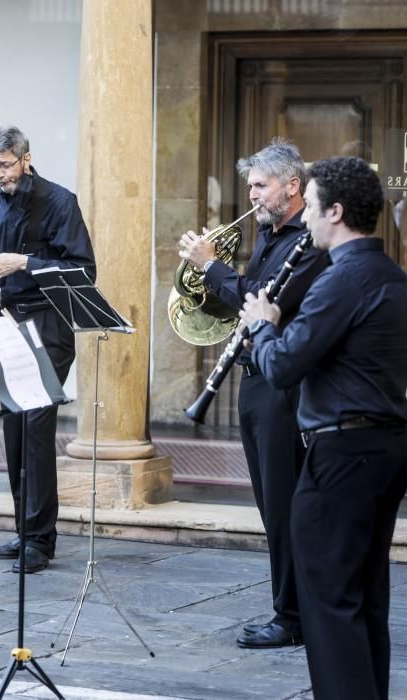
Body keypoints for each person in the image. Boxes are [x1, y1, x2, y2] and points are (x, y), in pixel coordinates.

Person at [240, 156, 407, 699]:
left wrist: (262, 328)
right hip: (383, 450)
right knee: (364, 598)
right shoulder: (391, 277)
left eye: (310, 207)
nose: (305, 218)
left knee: (330, 604)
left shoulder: (344, 279)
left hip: (341, 456)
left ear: (335, 211)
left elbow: (286, 364)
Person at [178, 138, 328, 648]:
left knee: (284, 505)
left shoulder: (307, 242)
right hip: (254, 376)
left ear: (292, 186)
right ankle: (292, 608)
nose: (252, 196)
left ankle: (294, 617)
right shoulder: (270, 235)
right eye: (249, 186)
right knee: (270, 504)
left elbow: (266, 302)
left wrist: (211, 267)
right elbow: (246, 303)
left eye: (260, 186)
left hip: (285, 388)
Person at [0, 126, 96, 574]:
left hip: (49, 321)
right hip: (7, 319)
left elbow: (83, 268)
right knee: (13, 424)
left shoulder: (60, 202)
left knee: (37, 423)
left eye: (5, 164)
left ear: (26, 159)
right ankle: (25, 531)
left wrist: (23, 262)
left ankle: (40, 540)